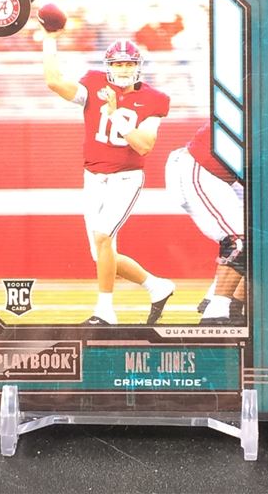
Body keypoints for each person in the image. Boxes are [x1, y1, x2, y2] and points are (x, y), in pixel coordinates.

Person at [42, 31, 175, 325]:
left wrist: (115, 114)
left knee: (103, 236)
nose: (123, 69)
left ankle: (104, 312)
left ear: (138, 66)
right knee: (101, 253)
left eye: (128, 64)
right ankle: (157, 286)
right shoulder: (93, 84)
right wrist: (49, 38)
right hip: (93, 177)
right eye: (118, 64)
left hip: (125, 179)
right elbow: (54, 81)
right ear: (108, 66)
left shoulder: (155, 99)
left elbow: (144, 145)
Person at [165, 123, 246, 325]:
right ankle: (216, 313)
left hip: (217, 173)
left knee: (263, 240)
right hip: (201, 165)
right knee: (239, 241)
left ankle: (231, 306)